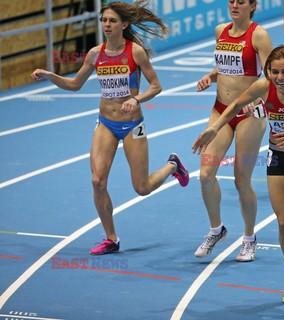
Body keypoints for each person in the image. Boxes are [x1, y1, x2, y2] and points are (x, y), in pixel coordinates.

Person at [31, 0, 190, 255]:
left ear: (124, 24)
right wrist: (51, 76)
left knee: (142, 188)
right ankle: (111, 238)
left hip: (131, 126)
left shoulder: (135, 52)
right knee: (97, 181)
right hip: (105, 123)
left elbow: (156, 86)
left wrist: (136, 99)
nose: (107, 24)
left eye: (112, 20)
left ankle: (173, 165)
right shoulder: (95, 54)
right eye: (104, 20)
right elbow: (74, 85)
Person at [193, 45, 284, 304]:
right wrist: (214, 129)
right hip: (279, 156)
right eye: (275, 72)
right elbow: (235, 104)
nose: (280, 77)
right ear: (268, 72)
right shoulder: (264, 86)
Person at [194, 0, 273, 262]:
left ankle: (249, 238)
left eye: (241, 2)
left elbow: (271, 74)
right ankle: (216, 229)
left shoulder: (259, 35)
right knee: (205, 174)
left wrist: (255, 100)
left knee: (241, 180)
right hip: (220, 109)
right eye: (232, 1)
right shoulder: (220, 31)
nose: (235, 5)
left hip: (248, 114)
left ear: (252, 6)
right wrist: (211, 76)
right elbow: (228, 67)